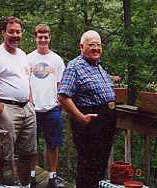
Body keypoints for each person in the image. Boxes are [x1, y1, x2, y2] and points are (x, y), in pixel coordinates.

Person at [0, 16, 37, 188]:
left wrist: (31, 103)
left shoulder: (22, 55)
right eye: (11, 32)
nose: (15, 35)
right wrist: (1, 111)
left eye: (18, 32)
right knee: (1, 155)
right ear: (3, 33)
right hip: (5, 108)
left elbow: (26, 80)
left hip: (26, 108)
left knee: (28, 153)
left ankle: (24, 185)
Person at [58, 30, 117, 188]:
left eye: (98, 45)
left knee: (100, 164)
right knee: (88, 165)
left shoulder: (98, 66)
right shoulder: (75, 66)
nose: (96, 48)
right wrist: (80, 117)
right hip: (89, 121)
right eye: (91, 45)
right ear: (81, 46)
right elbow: (63, 96)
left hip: (106, 121)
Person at [28, 24, 65, 188]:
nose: (43, 39)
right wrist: (28, 100)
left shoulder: (57, 60)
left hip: (52, 109)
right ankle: (31, 176)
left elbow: (62, 84)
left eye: (46, 36)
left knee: (53, 144)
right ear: (35, 38)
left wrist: (59, 101)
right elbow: (23, 82)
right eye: (39, 36)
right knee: (31, 145)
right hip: (31, 110)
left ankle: (52, 176)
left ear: (50, 37)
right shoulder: (27, 58)